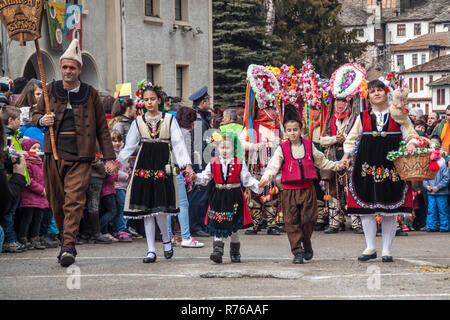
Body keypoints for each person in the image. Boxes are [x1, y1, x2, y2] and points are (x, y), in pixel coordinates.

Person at [32, 39, 117, 267]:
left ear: (79, 69)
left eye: (72, 67)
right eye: (65, 67)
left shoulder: (91, 93)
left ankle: (69, 246)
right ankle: (64, 241)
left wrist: (109, 158)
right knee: (57, 202)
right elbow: (33, 114)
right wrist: (42, 119)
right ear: (61, 68)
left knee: (75, 201)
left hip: (81, 157)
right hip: (54, 155)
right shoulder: (50, 90)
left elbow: (101, 127)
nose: (68, 71)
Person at [341, 79, 418, 263]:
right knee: (367, 207)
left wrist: (412, 143)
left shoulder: (399, 114)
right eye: (372, 91)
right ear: (368, 96)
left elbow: (411, 134)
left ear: (386, 93)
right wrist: (346, 156)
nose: (376, 93)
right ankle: (370, 247)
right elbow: (351, 139)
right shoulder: (362, 117)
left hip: (392, 165)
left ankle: (387, 250)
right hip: (367, 165)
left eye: (379, 90)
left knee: (389, 207)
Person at [117, 81, 195, 263]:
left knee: (160, 207)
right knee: (146, 209)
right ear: (142, 102)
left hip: (162, 162)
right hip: (144, 163)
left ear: (158, 100)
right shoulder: (138, 121)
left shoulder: (169, 120)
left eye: (152, 99)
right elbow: (129, 146)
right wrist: (117, 162)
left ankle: (166, 239)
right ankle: (151, 249)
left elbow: (178, 144)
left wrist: (186, 165)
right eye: (146, 99)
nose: (149, 102)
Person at [259, 105, 346, 264]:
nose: (292, 133)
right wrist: (266, 178)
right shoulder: (282, 149)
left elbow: (322, 162)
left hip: (307, 190)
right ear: (285, 131)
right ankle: (297, 251)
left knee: (309, 219)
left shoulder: (308, 146)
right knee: (291, 221)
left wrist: (337, 165)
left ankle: (306, 240)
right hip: (289, 191)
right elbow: (273, 166)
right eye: (289, 130)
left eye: (295, 129)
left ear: (301, 130)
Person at [195, 132, 260, 263]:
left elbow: (247, 180)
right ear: (217, 148)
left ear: (234, 149)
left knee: (234, 227)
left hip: (234, 197)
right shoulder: (213, 163)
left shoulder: (239, 163)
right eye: (222, 147)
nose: (224, 151)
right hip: (218, 197)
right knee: (217, 222)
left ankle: (235, 251)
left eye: (228, 147)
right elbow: (205, 177)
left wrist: (259, 185)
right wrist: (195, 177)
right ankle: (217, 251)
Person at [167, 106, 204, 248]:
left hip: (168, 169)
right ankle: (186, 236)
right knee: (183, 204)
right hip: (179, 170)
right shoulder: (186, 133)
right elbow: (185, 154)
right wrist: (189, 169)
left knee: (169, 205)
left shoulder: (172, 131)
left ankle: (169, 236)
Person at [0, 105, 30, 253]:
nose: (21, 122)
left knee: (12, 212)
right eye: (18, 119)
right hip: (10, 177)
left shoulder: (13, 134)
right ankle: (9, 240)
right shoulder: (6, 136)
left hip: (16, 177)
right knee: (9, 212)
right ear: (10, 120)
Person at [189, 86, 214, 238]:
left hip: (203, 162)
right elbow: (198, 144)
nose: (209, 102)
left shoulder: (200, 117)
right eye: (208, 100)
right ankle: (195, 226)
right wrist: (201, 165)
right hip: (200, 163)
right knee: (199, 195)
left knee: (203, 195)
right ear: (203, 101)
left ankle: (201, 224)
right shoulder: (198, 119)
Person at [17, 139, 47, 250]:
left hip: (41, 197)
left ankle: (34, 237)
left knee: (38, 218)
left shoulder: (41, 163)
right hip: (29, 196)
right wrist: (41, 190)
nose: (37, 150)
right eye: (34, 148)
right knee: (27, 218)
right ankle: (23, 237)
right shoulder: (27, 163)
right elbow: (29, 180)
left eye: (39, 148)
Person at [422, 135, 449, 232]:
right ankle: (431, 226)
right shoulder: (427, 161)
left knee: (443, 210)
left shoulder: (443, 162)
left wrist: (439, 186)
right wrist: (427, 186)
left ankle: (444, 226)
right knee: (431, 210)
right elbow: (424, 177)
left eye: (436, 144)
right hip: (431, 192)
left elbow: (446, 178)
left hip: (442, 192)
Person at [110, 130, 132, 242]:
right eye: (114, 141)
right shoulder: (111, 154)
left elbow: (125, 166)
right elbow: (114, 171)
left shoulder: (123, 153)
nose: (117, 143)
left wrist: (129, 170)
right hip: (117, 185)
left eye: (119, 140)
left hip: (124, 185)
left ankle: (122, 228)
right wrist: (126, 176)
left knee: (124, 207)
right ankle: (120, 229)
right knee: (122, 207)